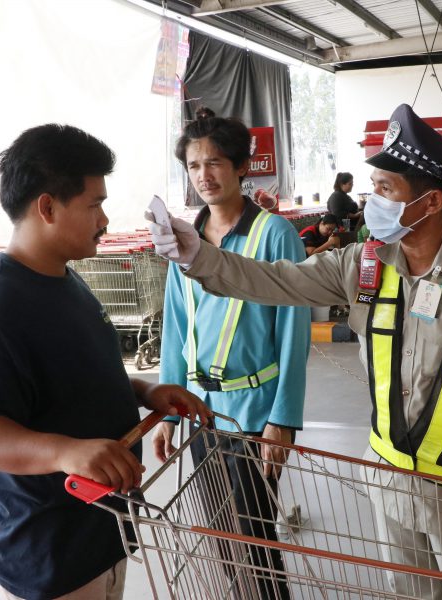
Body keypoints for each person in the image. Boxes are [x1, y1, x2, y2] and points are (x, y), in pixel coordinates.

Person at [147, 103, 442, 600]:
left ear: (428, 203)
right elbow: (275, 279)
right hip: (388, 478)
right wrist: (199, 256)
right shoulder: (361, 266)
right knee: (407, 591)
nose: (371, 201)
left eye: (385, 189)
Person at [0, 124, 209, 600]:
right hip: (40, 555)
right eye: (94, 205)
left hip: (99, 533)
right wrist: (65, 452)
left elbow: (77, 372)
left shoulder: (65, 280)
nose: (104, 220)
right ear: (47, 207)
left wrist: (145, 391)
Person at [150, 107, 311, 599]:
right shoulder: (184, 240)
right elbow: (177, 330)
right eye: (195, 165)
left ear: (242, 166)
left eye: (216, 162)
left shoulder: (274, 235)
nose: (205, 175)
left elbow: (293, 333)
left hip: (255, 413)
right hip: (201, 411)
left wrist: (282, 419)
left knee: (257, 540)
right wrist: (168, 412)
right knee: (221, 534)